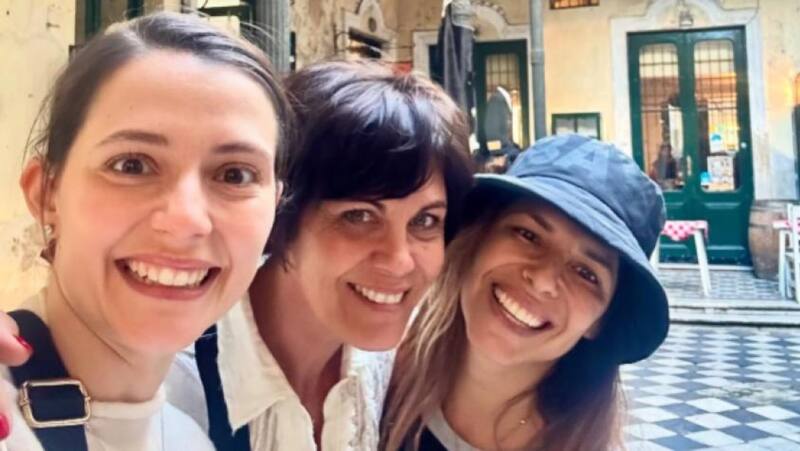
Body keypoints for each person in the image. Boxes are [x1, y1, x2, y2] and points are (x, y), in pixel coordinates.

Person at [0, 12, 290, 451]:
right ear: (47, 193)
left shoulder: (190, 436)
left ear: (274, 206)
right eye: (131, 165)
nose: (187, 220)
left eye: (235, 175)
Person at [165, 59, 475, 450]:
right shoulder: (175, 384)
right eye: (359, 216)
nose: (399, 260)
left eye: (425, 221)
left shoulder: (406, 370)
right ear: (281, 214)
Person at [381, 134, 669, 451]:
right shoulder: (366, 384)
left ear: (600, 320)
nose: (543, 280)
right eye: (527, 235)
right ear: (477, 241)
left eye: (586, 273)